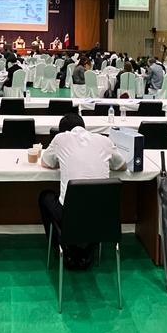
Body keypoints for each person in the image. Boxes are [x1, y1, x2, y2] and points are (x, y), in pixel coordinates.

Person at [38, 113, 126, 269]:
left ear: (64, 131)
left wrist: (62, 160)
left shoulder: (60, 139)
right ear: (84, 127)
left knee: (45, 197)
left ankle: (62, 247)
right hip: (102, 219)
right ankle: (88, 247)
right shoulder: (105, 141)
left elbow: (45, 162)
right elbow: (122, 166)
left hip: (70, 217)